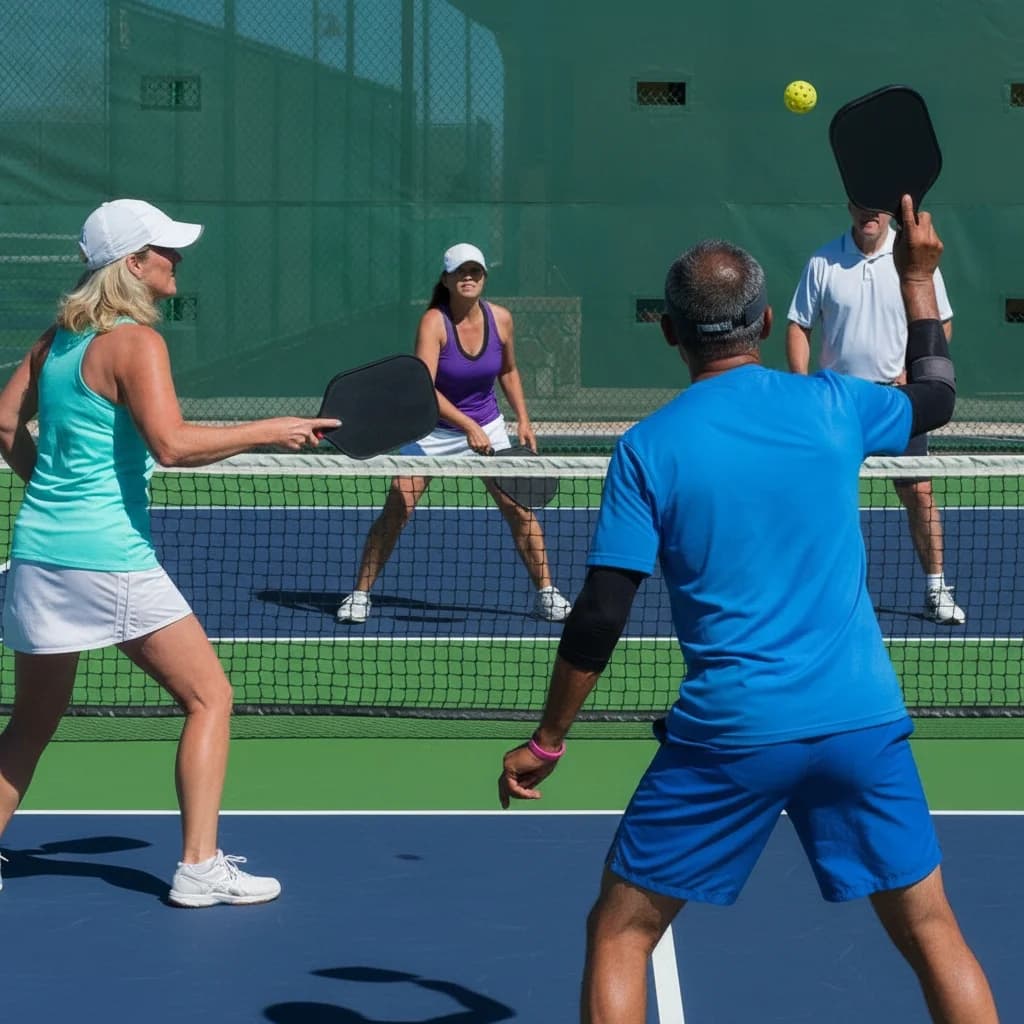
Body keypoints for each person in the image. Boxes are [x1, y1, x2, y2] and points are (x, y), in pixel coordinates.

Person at [498, 198, 998, 1023]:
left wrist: (549, 739)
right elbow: (937, 395)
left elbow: (598, 615)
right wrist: (918, 279)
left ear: (668, 331)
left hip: (732, 734)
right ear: (767, 320)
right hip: (859, 722)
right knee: (931, 930)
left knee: (621, 934)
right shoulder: (835, 405)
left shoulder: (647, 448)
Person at [0, 199, 339, 906]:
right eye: (165, 249)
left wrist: (57, 491)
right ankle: (198, 867)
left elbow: (5, 422)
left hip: (37, 555)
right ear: (131, 264)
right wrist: (270, 430)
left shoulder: (53, 342)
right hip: (107, 557)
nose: (176, 259)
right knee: (210, 696)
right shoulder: (135, 344)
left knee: (32, 719)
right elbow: (173, 445)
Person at [336, 243, 572, 624]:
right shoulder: (434, 322)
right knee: (399, 503)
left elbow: (508, 371)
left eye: (475, 271)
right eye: (460, 272)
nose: (469, 278)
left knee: (519, 510)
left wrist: (523, 419)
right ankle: (360, 594)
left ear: (484, 277)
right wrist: (466, 427)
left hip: (489, 426)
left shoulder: (502, 320)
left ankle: (547, 593)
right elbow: (423, 387)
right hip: (434, 429)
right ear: (446, 279)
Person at [786, 203, 965, 625]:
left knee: (919, 494)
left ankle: (936, 590)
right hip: (839, 406)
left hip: (898, 404)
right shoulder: (822, 261)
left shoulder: (912, 259)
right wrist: (804, 385)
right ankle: (820, 593)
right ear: (850, 207)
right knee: (826, 497)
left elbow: (941, 323)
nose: (869, 214)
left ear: (888, 213)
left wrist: (914, 368)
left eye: (877, 208)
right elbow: (798, 325)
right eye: (861, 206)